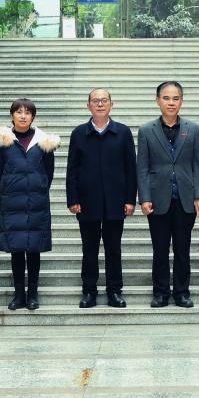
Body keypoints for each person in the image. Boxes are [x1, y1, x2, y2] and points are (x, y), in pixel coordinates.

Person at [138, 81, 199, 308]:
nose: (171, 102)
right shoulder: (146, 131)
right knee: (159, 249)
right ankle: (160, 293)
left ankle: (182, 292)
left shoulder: (193, 129)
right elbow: (142, 168)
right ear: (158, 100)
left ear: (181, 101)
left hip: (185, 200)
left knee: (182, 249)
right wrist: (144, 197)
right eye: (166, 98)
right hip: (157, 200)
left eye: (175, 98)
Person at [66, 88, 137, 309]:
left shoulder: (123, 132)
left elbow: (131, 169)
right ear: (88, 105)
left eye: (104, 100)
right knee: (89, 248)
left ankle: (114, 291)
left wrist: (130, 199)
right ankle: (89, 291)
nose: (99, 104)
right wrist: (72, 199)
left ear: (111, 104)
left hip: (116, 201)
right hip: (87, 202)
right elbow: (72, 170)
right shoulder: (79, 133)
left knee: (114, 249)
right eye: (95, 101)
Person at [0, 98, 59, 311]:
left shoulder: (43, 142)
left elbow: (49, 172)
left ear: (33, 117)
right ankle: (19, 295)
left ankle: (32, 294)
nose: (23, 116)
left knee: (34, 250)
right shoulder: (3, 140)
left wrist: (37, 187)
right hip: (12, 202)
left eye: (27, 112)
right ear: (12, 115)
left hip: (36, 202)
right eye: (19, 112)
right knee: (16, 250)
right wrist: (11, 187)